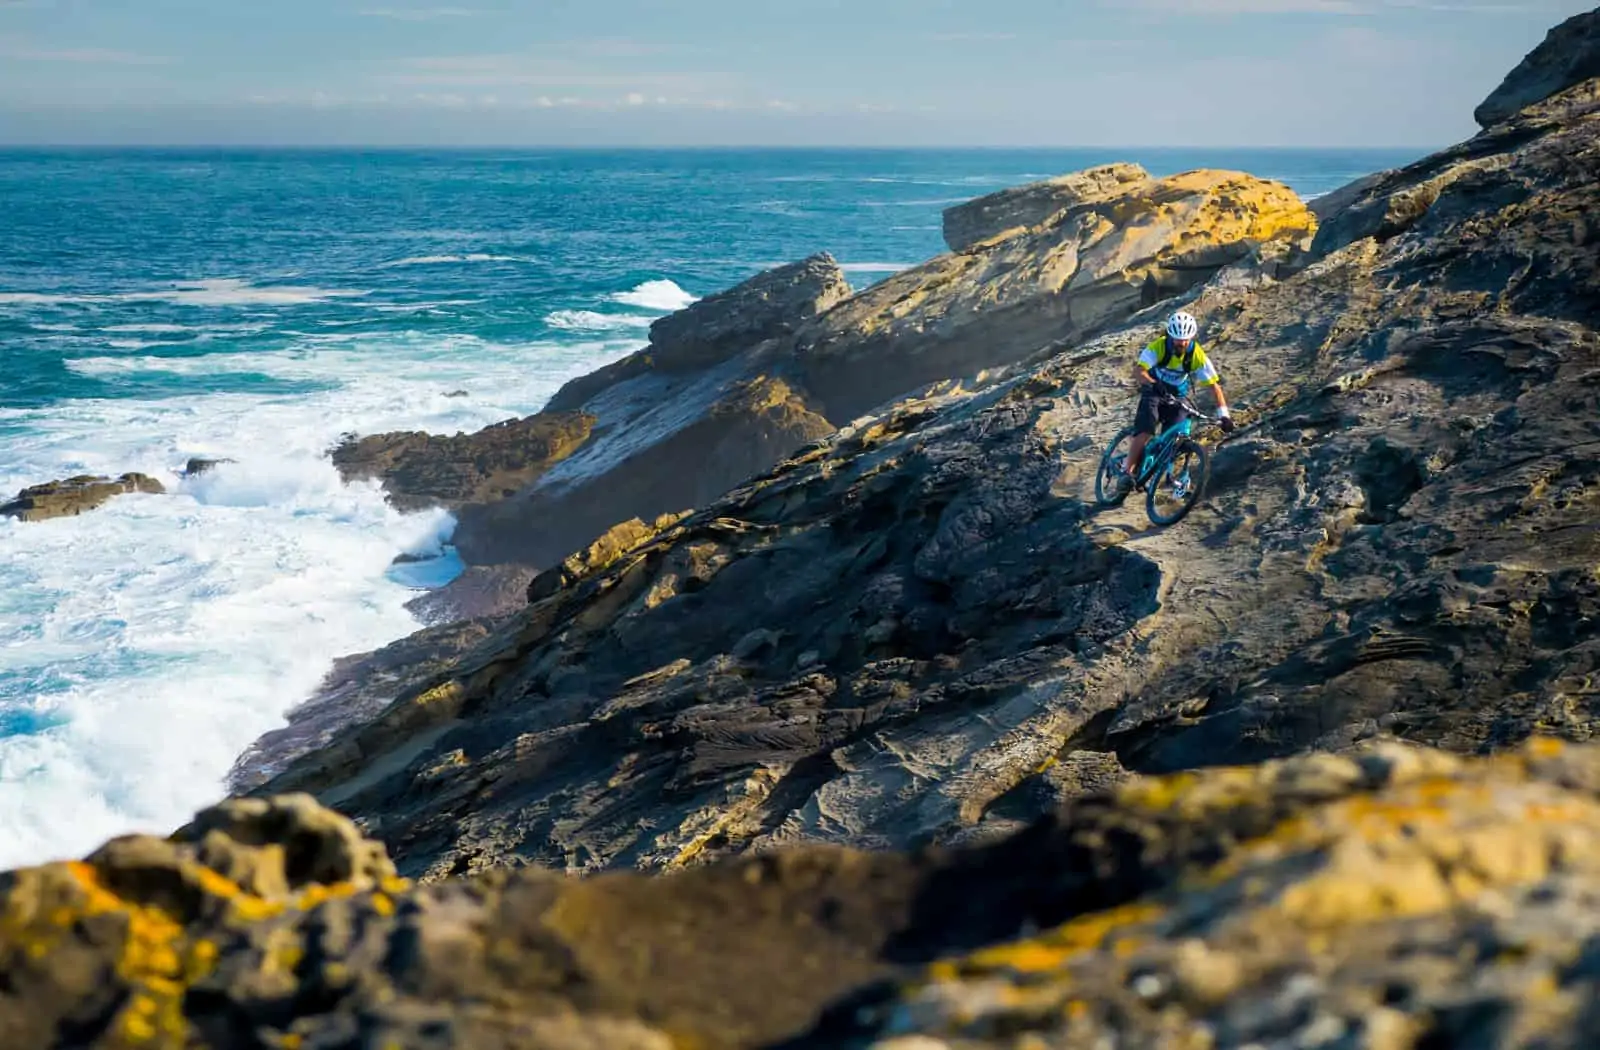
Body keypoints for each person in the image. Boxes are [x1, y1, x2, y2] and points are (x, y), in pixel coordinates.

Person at [1121, 310, 1234, 491]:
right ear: (1170, 336)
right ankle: (1127, 471)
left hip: (1177, 396)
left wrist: (1225, 416)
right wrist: (1153, 383)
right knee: (1146, 430)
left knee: (1175, 438)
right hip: (1154, 390)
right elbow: (1138, 371)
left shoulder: (1197, 356)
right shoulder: (1159, 347)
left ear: (1191, 338)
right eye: (1177, 339)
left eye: (1185, 340)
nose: (1181, 343)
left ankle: (1166, 475)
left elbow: (1215, 387)